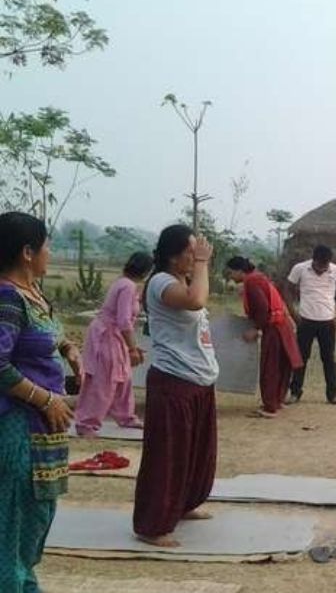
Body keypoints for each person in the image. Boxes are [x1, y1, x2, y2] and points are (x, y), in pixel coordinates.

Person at [0, 212, 79, 593]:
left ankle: (26, 582)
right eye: (46, 245)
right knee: (11, 508)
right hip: (17, 420)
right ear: (27, 252)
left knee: (39, 504)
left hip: (43, 421)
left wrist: (67, 347)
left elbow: (46, 330)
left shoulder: (30, 292)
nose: (50, 252)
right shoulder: (7, 298)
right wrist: (45, 398)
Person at [132, 225, 219, 548]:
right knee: (167, 457)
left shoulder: (181, 280)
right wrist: (203, 263)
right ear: (172, 254)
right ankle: (152, 525)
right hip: (173, 382)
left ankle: (182, 505)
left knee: (194, 453)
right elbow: (196, 301)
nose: (195, 256)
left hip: (197, 380)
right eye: (190, 251)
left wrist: (197, 267)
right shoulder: (160, 282)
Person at [73, 251, 152, 435]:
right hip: (107, 335)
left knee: (124, 377)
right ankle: (86, 423)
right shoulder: (128, 287)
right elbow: (124, 320)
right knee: (104, 380)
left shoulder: (124, 283)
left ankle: (126, 416)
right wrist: (132, 348)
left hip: (114, 335)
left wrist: (130, 346)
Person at [224, 256, 303, 417]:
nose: (231, 276)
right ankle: (277, 400)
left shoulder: (252, 282)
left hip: (273, 328)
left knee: (270, 366)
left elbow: (262, 308)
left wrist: (255, 328)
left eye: (231, 272)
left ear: (240, 271)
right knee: (282, 365)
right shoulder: (259, 277)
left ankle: (270, 406)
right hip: (282, 324)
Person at [286, 244, 336, 405]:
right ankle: (295, 392)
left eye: (325, 266)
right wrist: (294, 314)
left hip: (327, 321)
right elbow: (287, 289)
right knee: (301, 358)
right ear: (313, 260)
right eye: (319, 266)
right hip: (305, 320)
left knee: (329, 359)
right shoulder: (300, 269)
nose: (322, 269)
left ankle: (332, 394)